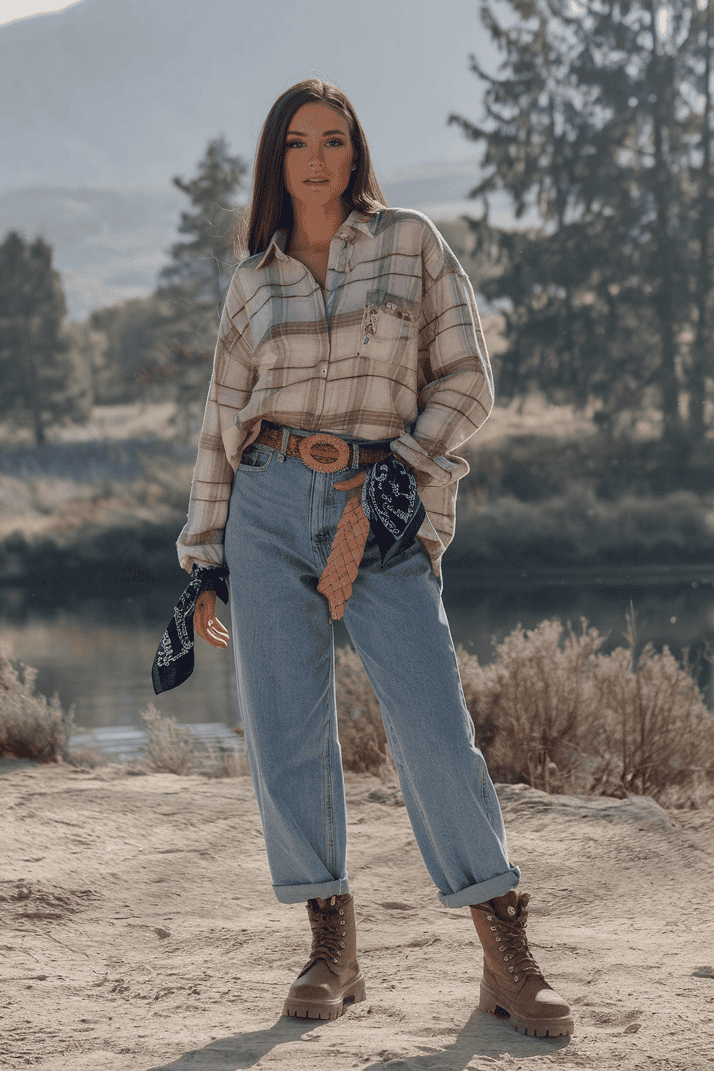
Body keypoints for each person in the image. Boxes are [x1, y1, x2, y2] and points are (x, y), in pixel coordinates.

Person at [176, 78, 574, 1038]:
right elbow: (219, 425)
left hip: (380, 506)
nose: (318, 159)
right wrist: (202, 559)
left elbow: (468, 377)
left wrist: (407, 466)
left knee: (435, 725)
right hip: (266, 501)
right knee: (284, 732)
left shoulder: (410, 244)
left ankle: (504, 950)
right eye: (299, 143)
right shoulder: (252, 280)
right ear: (278, 161)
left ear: (356, 153)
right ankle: (332, 947)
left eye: (335, 140)